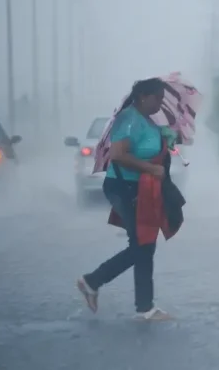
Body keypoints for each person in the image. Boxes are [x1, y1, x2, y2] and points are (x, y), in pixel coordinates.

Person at [76, 77, 172, 321]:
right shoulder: (128, 119)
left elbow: (147, 149)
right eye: (157, 98)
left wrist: (167, 139)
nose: (161, 103)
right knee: (142, 244)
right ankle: (97, 283)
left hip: (140, 187)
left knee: (144, 244)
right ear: (143, 96)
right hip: (124, 187)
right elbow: (118, 155)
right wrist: (151, 170)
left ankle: (141, 305)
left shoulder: (146, 121)